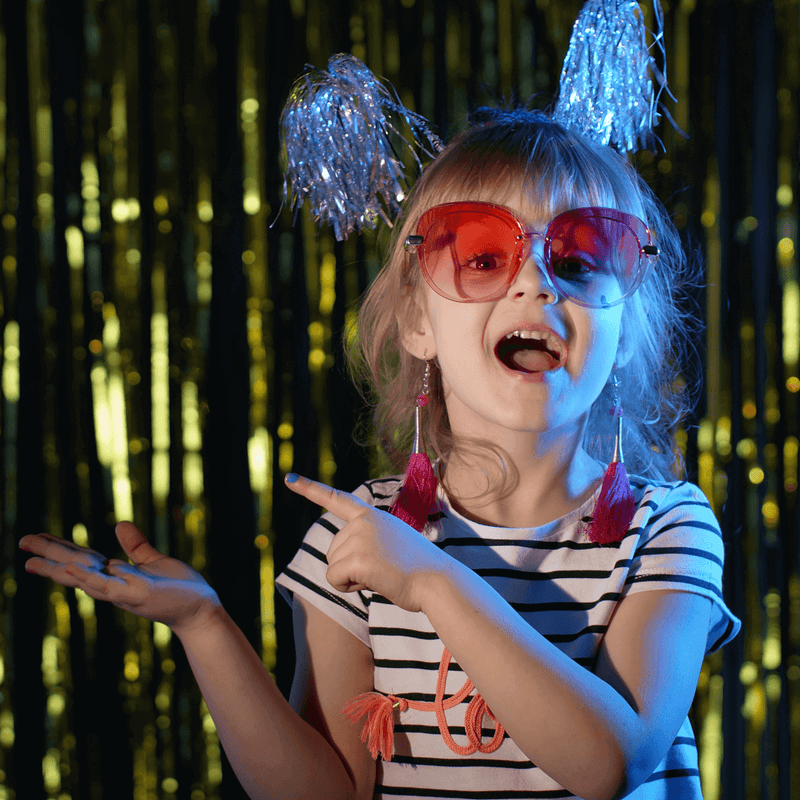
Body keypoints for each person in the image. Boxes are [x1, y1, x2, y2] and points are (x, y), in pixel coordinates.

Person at [21, 105, 739, 800]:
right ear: (419, 323)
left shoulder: (668, 529)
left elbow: (610, 764)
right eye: (483, 257)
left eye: (578, 260)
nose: (534, 282)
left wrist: (431, 582)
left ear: (625, 330)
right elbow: (324, 793)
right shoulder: (361, 536)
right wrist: (203, 626)